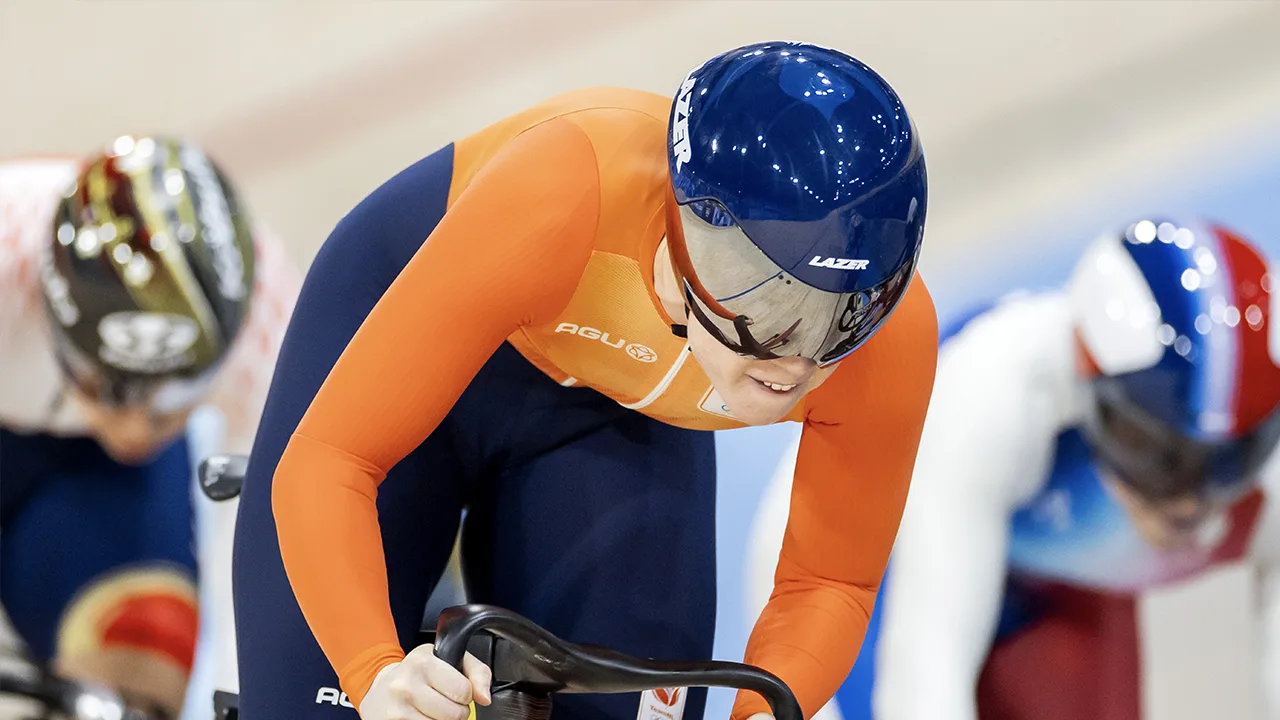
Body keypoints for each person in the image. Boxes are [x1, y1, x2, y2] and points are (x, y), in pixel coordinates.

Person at [231, 40, 938, 720]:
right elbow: (329, 462)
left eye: (844, 320)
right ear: (692, 237)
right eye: (769, 309)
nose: (798, 365)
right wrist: (373, 672)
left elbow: (830, 580)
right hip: (417, 332)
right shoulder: (560, 192)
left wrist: (764, 711)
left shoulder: (891, 340)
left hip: (608, 408)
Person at [747, 217, 1280, 720]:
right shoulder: (995, 398)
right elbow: (925, 675)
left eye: (1232, 461)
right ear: (1089, 383)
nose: (1190, 500)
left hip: (1049, 579)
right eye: (1154, 454)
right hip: (865, 561)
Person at [0, 136, 300, 720]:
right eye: (107, 392)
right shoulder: (8, 249)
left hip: (98, 478)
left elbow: (261, 554)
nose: (135, 430)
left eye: (168, 405)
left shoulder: (270, 331)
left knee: (143, 670)